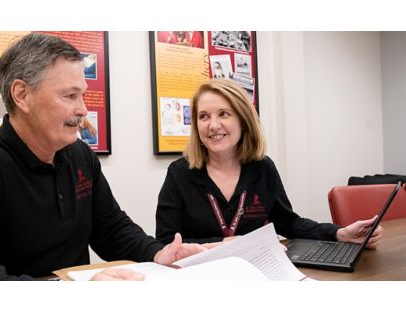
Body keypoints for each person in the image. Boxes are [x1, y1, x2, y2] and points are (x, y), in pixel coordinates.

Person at [0, 33, 205, 281]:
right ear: (22, 95)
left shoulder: (79, 155)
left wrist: (157, 253)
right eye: (70, 96)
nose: (83, 109)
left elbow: (111, 229)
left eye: (83, 95)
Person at [155, 79, 383, 250]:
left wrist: (339, 233)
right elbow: (166, 242)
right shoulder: (179, 173)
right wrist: (221, 244)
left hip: (255, 273)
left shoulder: (263, 168)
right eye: (204, 116)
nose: (213, 125)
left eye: (224, 114)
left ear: (243, 121)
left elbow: (289, 223)